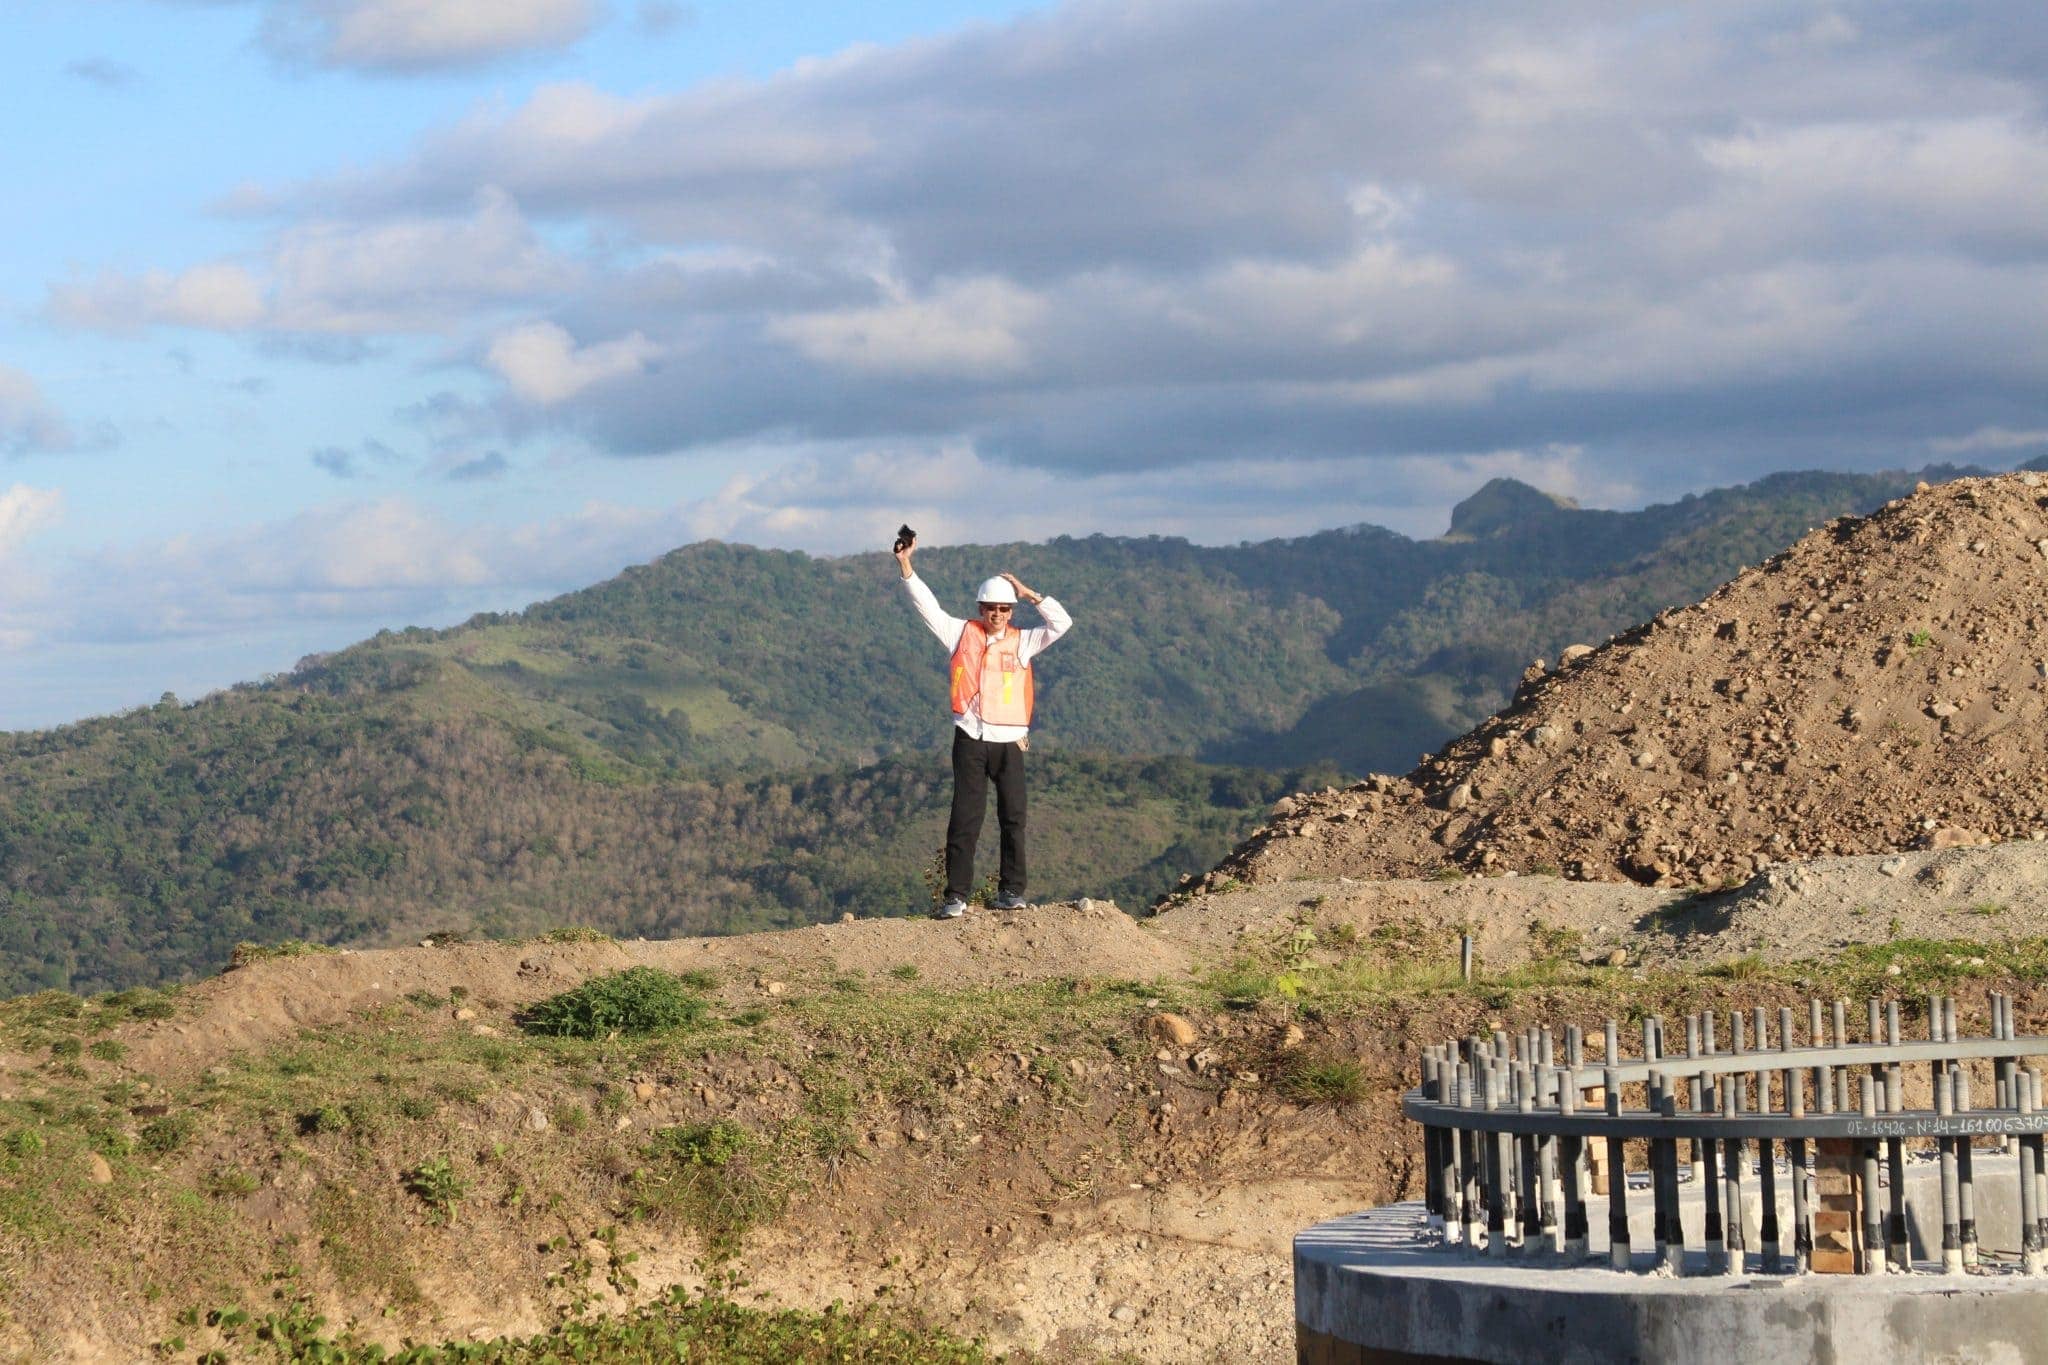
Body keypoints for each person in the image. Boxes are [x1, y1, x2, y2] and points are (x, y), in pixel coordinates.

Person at [895, 534, 1072, 918]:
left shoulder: (1024, 641)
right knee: (965, 818)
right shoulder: (961, 633)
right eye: (991, 608)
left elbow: (1062, 623)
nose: (997, 614)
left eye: (1004, 609)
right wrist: (906, 566)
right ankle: (956, 896)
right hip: (970, 739)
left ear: (1011, 611)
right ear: (980, 608)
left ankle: (1012, 892)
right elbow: (926, 607)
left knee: (1013, 818)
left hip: (1009, 743)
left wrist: (1029, 595)